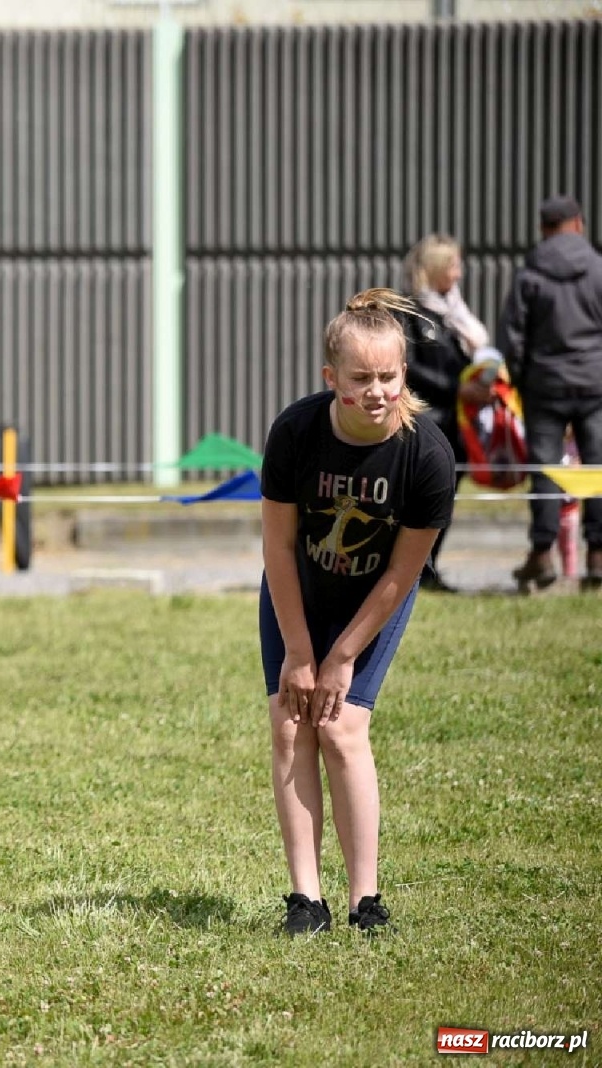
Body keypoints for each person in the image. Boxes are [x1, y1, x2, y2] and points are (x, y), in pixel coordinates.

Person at [259, 289, 457, 935]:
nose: (377, 391)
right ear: (331, 379)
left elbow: (403, 572)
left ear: (405, 375)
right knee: (292, 725)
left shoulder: (426, 457)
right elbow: (279, 546)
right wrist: (298, 650)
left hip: (376, 598)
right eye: (361, 378)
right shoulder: (295, 431)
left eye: (389, 377)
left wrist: (342, 656)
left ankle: (364, 902)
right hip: (299, 590)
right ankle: (305, 901)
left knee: (342, 730)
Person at [497, 195, 602, 593]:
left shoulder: (530, 274)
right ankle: (598, 554)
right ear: (579, 224)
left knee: (543, 469)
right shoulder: (598, 269)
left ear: (543, 228)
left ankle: (542, 555)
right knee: (597, 468)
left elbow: (513, 337)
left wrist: (524, 381)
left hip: (545, 385)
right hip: (595, 383)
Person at [398, 234, 496, 592]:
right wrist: (457, 388)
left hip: (456, 423)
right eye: (453, 265)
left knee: (444, 498)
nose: (459, 273)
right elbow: (408, 365)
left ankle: (427, 568)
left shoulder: (455, 316)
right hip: (426, 421)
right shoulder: (410, 312)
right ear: (436, 268)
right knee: (421, 499)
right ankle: (412, 571)